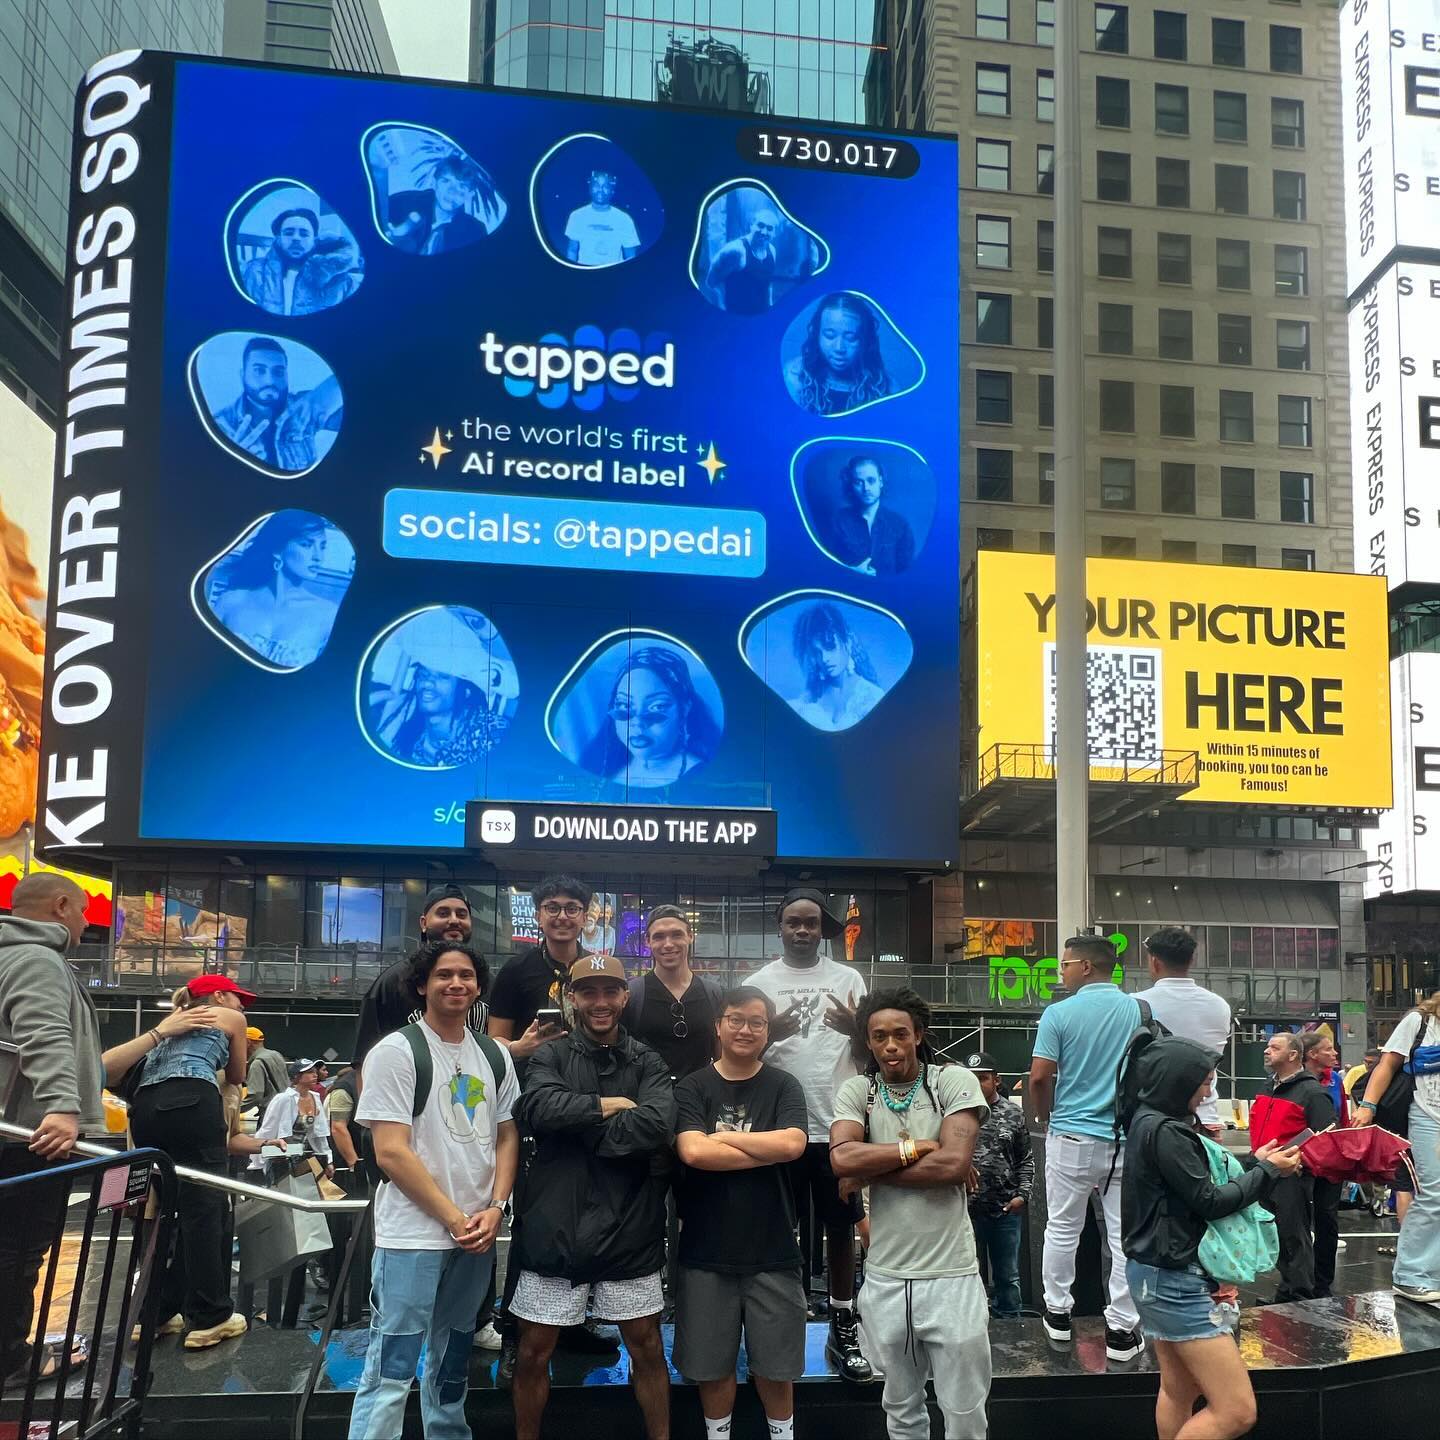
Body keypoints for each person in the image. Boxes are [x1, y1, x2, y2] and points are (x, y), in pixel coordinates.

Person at [0, 875, 227, 1380]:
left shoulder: (15, 956)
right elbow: (44, 1032)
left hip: (19, 1128)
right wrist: (60, 1106)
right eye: (83, 912)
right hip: (28, 1132)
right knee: (20, 1248)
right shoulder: (36, 959)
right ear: (61, 906)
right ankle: (11, 1357)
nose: (86, 923)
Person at [350, 942, 519, 1440]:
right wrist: (452, 1217)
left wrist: (495, 1207)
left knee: (453, 1355)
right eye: (444, 974)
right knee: (393, 1362)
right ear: (422, 984)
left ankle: (448, 1433)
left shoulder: (494, 1055)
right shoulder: (396, 1051)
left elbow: (507, 1133)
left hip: (476, 1233)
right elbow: (391, 1152)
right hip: (413, 1235)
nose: (456, 983)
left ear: (479, 986)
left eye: (466, 975)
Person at [510, 953, 676, 1440]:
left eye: (610, 991)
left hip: (630, 1222)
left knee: (647, 1346)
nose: (600, 1002)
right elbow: (535, 1107)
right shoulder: (551, 1054)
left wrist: (584, 1131)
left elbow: (657, 1123)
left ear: (625, 997)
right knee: (533, 1350)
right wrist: (605, 1105)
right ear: (572, 998)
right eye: (589, 992)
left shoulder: (647, 1058)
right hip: (555, 1222)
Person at [1122, 1037, 1303, 1440]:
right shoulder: (1167, 1131)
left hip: (1152, 1274)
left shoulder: (1145, 1121)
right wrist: (1268, 1171)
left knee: (1178, 1388)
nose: (1208, 1091)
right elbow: (1211, 1200)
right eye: (1203, 1082)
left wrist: (1258, 1164)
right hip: (1176, 1280)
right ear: (1178, 1082)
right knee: (1236, 1411)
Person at [831, 990, 991, 1438]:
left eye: (901, 1034)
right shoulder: (858, 1091)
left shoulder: (952, 1082)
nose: (891, 1046)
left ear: (918, 1035)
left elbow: (954, 1164)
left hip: (951, 1276)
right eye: (879, 1037)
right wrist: (918, 1146)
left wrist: (871, 1171)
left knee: (964, 1414)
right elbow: (841, 1160)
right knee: (900, 1409)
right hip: (885, 1278)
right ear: (867, 1042)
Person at [672, 987, 809, 1440]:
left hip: (772, 1248)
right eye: (736, 1019)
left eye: (756, 1022)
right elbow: (692, 1152)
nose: (745, 1029)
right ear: (719, 1025)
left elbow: (793, 1144)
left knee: (777, 1367)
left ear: (768, 1030)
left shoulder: (784, 1084)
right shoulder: (692, 1086)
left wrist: (723, 1139)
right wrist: (766, 1149)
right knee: (712, 1368)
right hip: (705, 1251)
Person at [749, 888, 872, 1384]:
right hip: (780, 1126)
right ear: (779, 927)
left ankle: (843, 1321)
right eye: (793, 923)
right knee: (780, 1229)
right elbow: (741, 1052)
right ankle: (781, 1320)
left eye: (812, 923)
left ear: (823, 929)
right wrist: (769, 1035)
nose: (802, 930)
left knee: (840, 1227)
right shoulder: (757, 983)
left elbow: (873, 1049)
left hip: (837, 1124)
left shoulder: (849, 979)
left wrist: (855, 1029)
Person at [488, 874, 608, 1379]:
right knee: (533, 1223)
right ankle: (517, 1329)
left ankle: (573, 1321)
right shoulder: (517, 971)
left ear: (587, 915)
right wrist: (523, 1048)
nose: (562, 916)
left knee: (585, 1218)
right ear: (538, 915)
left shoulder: (600, 970)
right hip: (534, 1109)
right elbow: (493, 1046)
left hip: (590, 1106)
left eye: (572, 908)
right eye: (553, 907)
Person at [1028, 933, 1145, 1361]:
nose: (1061, 971)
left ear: (1086, 967)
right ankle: (1121, 1330)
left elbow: (1040, 1077)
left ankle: (1058, 1315)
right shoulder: (1138, 1010)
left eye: (1065, 964)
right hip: (1125, 1139)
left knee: (1062, 1228)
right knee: (1122, 1235)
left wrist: (1044, 1118)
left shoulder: (1058, 1013)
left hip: (1072, 1137)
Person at [129, 974, 253, 1348]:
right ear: (217, 995)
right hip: (193, 1102)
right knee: (205, 1211)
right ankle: (211, 1316)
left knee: (168, 1214)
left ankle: (156, 1313)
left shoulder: (167, 1026)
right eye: (237, 997)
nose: (241, 1006)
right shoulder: (228, 1019)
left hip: (145, 1110)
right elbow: (237, 1074)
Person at [1354, 995, 1440, 1304]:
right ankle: (1411, 1274)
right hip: (1426, 1114)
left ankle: (1430, 1272)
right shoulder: (1420, 1021)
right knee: (1433, 1193)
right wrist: (1367, 1106)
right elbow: (1387, 1064)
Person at [353, 886, 483, 1073]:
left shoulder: (484, 981)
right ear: (424, 922)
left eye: (462, 914)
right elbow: (364, 1061)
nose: (454, 920)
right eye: (443, 913)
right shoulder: (391, 982)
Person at [367, 609, 517, 767]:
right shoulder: (410, 733)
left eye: (442, 677)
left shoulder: (489, 732)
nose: (426, 683)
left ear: (465, 691)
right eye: (423, 674)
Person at [1248, 1030, 1335, 1304]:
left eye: (1274, 1047)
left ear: (1293, 1055)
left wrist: (1302, 1162)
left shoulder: (1312, 1092)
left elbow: (1326, 1136)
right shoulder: (1268, 1086)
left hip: (1291, 1175)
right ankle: (1288, 1289)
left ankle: (1300, 1294)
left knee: (1293, 1234)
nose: (1266, 1050)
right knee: (1276, 1233)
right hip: (1265, 1169)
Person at [207, 511, 342, 669]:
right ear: (278, 550)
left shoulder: (328, 614)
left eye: (322, 547)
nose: (318, 556)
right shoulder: (231, 601)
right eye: (306, 545)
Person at [1136, 927, 1233, 1136]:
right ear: (1191, 960)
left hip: (1154, 1123)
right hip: (1206, 1120)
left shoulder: (1136, 1004)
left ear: (1154, 961)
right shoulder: (1219, 1005)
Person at [579, 647, 720, 789]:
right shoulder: (601, 768)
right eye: (624, 705)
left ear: (684, 709)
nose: (638, 723)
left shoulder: (705, 781)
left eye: (657, 707)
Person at [964, 1050, 1033, 1319]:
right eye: (972, 1078)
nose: (977, 1084)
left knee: (1007, 1277)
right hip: (964, 1210)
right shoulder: (956, 1112)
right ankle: (973, 1326)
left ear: (996, 1080)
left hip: (1004, 1210)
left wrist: (1023, 1196)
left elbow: (1025, 1159)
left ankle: (1014, 1331)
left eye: (983, 1078)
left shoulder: (1013, 1114)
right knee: (968, 1277)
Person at [209, 336, 342, 473]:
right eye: (259, 370)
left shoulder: (303, 407)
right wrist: (232, 467)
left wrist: (329, 389)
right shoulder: (219, 425)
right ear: (243, 375)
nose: (270, 380)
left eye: (278, 372)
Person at [627, 906, 724, 1083]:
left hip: (701, 1101)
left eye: (676, 935)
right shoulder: (632, 995)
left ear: (690, 936)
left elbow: (722, 1055)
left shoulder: (715, 994)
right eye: (659, 936)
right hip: (649, 1102)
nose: (668, 944)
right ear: (647, 941)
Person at [241, 205, 361, 316]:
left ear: (314, 239)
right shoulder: (253, 272)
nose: (296, 238)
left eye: (304, 234)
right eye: (289, 233)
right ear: (278, 238)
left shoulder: (342, 281)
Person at [784, 292, 890, 416]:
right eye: (829, 336)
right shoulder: (794, 377)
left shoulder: (886, 387)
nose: (839, 348)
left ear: (865, 341)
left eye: (851, 337)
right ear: (817, 335)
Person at [786, 602, 886, 733]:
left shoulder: (872, 697)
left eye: (830, 647)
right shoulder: (811, 697)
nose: (824, 658)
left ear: (848, 643)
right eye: (817, 652)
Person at [383, 153, 501, 256]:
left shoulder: (474, 231)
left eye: (462, 186)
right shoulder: (401, 203)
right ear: (434, 182)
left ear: (470, 194)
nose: (452, 191)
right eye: (446, 181)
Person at [820, 455, 916, 576]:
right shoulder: (839, 520)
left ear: (880, 482)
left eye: (871, 480)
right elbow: (826, 567)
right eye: (858, 482)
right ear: (851, 485)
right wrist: (852, 571)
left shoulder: (900, 524)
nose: (866, 488)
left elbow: (907, 574)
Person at [706, 207, 779, 314]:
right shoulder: (736, 251)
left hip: (760, 318)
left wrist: (770, 310)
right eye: (760, 225)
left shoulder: (772, 251)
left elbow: (768, 284)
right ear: (751, 225)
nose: (764, 232)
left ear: (774, 233)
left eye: (769, 228)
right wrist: (723, 314)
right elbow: (711, 283)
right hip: (736, 317)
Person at [564, 168, 641, 266]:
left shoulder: (624, 219)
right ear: (590, 188)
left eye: (606, 187)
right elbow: (572, 251)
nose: (600, 190)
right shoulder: (577, 216)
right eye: (596, 186)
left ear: (612, 191)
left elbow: (630, 256)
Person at [245, 1025, 288, 1115]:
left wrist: (236, 1110)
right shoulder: (276, 1055)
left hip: (270, 1114)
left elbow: (256, 1096)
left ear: (248, 1042)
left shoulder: (257, 1063)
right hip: (285, 1109)